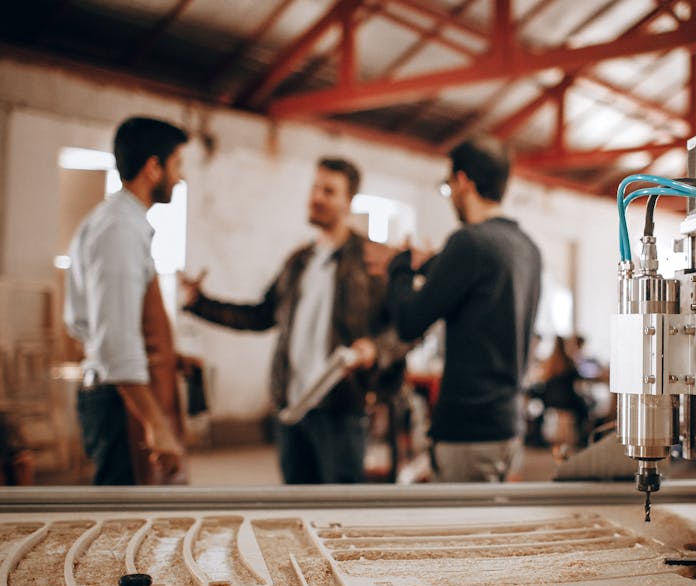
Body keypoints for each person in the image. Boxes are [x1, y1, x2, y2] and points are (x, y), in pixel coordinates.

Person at [180, 157, 407, 484]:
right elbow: (261, 315)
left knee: (339, 513)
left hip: (341, 408)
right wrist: (199, 304)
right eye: (315, 188)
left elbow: (406, 329)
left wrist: (375, 348)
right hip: (291, 409)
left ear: (349, 200)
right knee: (295, 508)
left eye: (329, 191)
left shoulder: (371, 261)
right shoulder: (299, 262)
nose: (317, 197)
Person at [367, 137, 542, 482]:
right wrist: (428, 264)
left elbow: (408, 322)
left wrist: (400, 267)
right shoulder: (526, 249)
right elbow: (475, 285)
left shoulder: (469, 241)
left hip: (468, 430)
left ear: (463, 182)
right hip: (507, 426)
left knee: (466, 532)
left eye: (449, 186)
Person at [64, 116, 188, 485]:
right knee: (123, 526)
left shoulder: (122, 222)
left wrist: (170, 355)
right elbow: (116, 341)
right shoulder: (119, 229)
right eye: (177, 165)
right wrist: (156, 425)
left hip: (122, 396)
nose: (180, 178)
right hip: (120, 403)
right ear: (154, 168)